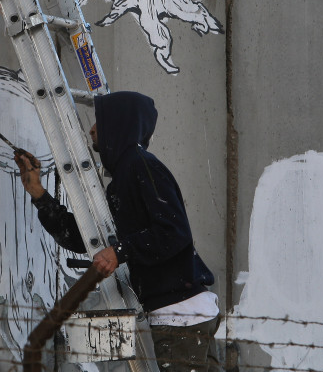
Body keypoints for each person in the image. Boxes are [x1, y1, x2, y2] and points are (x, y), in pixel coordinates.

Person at [14, 91, 221, 372]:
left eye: (99, 121)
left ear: (119, 124)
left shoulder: (143, 166)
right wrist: (37, 192)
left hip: (182, 315)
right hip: (180, 314)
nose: (92, 129)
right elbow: (83, 238)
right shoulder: (123, 177)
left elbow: (174, 232)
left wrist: (121, 251)